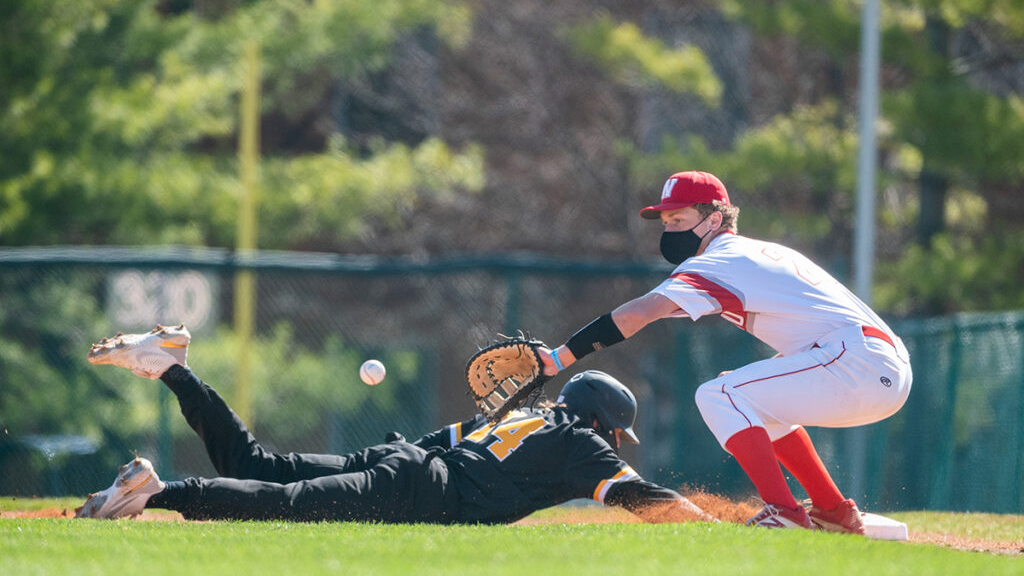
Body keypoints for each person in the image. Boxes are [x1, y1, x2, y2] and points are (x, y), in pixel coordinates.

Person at [538, 170, 912, 533]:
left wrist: (559, 358)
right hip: (874, 362)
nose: (669, 229)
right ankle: (832, 510)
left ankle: (784, 513)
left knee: (718, 395)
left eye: (679, 218)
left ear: (713, 218)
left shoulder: (721, 260)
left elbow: (639, 313)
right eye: (665, 221)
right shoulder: (754, 253)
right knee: (743, 396)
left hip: (859, 363)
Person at [76, 324, 714, 525]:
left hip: (407, 461)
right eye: (614, 433)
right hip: (420, 487)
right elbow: (645, 500)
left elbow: (442, 441)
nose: (612, 444)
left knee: (259, 469)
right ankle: (156, 494)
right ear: (601, 422)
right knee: (285, 503)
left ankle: (175, 370)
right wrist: (721, 525)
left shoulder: (526, 417)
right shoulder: (577, 440)